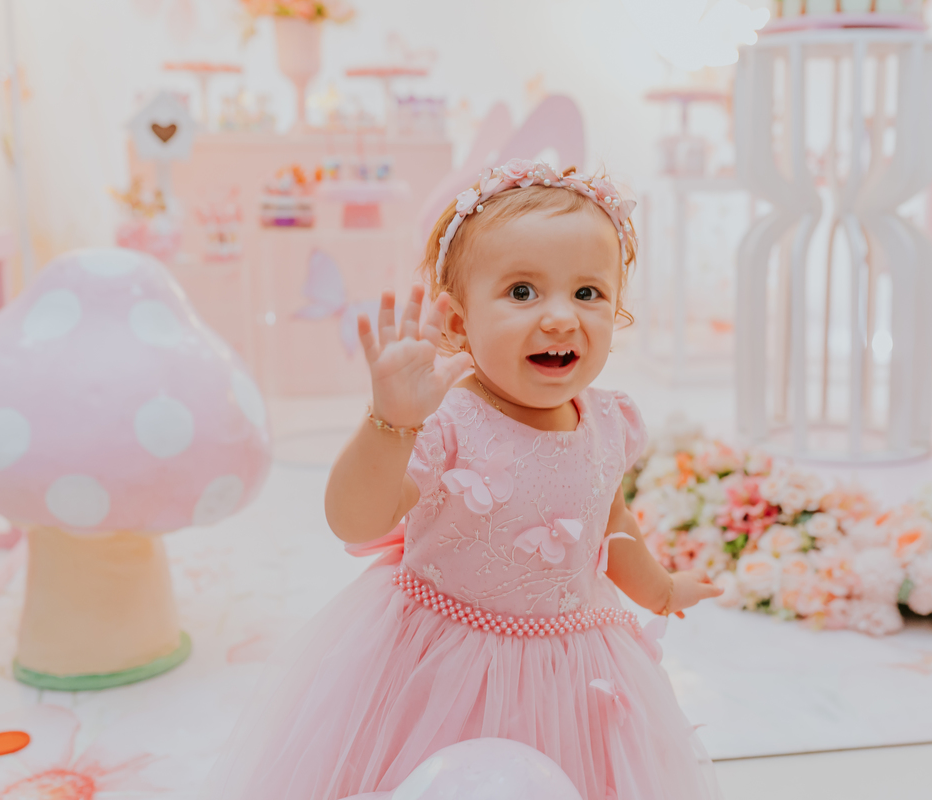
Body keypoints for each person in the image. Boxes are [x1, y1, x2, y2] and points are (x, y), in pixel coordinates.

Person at [205, 159, 724, 800]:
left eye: (588, 293)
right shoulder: (449, 420)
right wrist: (389, 423)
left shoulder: (609, 421)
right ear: (455, 322)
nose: (562, 317)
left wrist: (661, 586)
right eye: (523, 292)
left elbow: (610, 525)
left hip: (572, 668)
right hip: (441, 665)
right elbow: (354, 519)